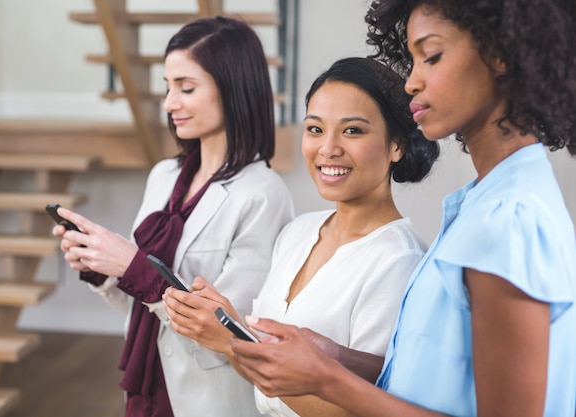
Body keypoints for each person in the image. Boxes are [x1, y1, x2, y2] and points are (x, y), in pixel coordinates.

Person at [227, 1, 576, 416]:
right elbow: (435, 376)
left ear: (502, 54)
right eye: (412, 60)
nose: (411, 82)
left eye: (431, 56)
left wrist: (326, 380)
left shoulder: (508, 220)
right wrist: (335, 357)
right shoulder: (483, 201)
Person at [161, 56, 439, 417]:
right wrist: (229, 325)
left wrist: (230, 343)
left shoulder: (399, 260)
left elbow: (362, 409)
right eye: (315, 129)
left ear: (397, 146)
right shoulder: (298, 232)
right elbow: (269, 378)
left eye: (353, 130)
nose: (328, 148)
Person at [52, 16, 294, 417]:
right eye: (168, 87)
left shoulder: (263, 194)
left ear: (233, 89)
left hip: (206, 397)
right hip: (144, 384)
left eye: (186, 88)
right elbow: (140, 303)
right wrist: (101, 269)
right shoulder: (163, 175)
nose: (169, 104)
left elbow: (227, 328)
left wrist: (132, 265)